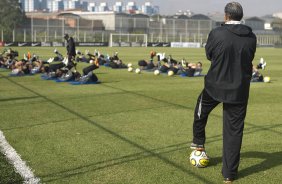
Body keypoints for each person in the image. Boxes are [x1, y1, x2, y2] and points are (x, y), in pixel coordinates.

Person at [189, 2, 257, 183]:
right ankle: (229, 175)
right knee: (234, 131)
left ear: (226, 16)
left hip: (215, 86)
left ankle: (198, 144)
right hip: (239, 90)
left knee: (200, 111)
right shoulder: (251, 36)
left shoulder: (216, 33)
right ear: (240, 16)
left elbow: (209, 55)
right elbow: (248, 58)